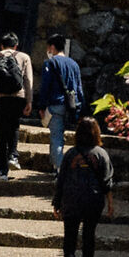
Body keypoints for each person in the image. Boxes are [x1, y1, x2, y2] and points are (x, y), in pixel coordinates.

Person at [52, 116, 117, 257]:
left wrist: (57, 202)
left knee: (70, 233)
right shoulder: (101, 154)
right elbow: (107, 181)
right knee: (89, 235)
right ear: (96, 133)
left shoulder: (70, 154)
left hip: (71, 197)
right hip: (93, 199)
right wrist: (110, 201)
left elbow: (61, 179)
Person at [0, 30, 34, 177]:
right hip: (19, 97)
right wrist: (29, 101)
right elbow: (28, 80)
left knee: (0, 133)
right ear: (16, 46)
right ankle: (13, 156)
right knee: (14, 126)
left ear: (1, 45)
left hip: (1, 98)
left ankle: (2, 171)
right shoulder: (24, 57)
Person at [40, 32, 86, 177]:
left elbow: (45, 87)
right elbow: (79, 88)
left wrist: (41, 106)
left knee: (56, 138)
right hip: (72, 106)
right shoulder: (74, 64)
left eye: (48, 47)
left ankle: (59, 169)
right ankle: (60, 168)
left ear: (52, 47)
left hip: (56, 104)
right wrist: (82, 108)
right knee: (64, 137)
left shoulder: (50, 63)